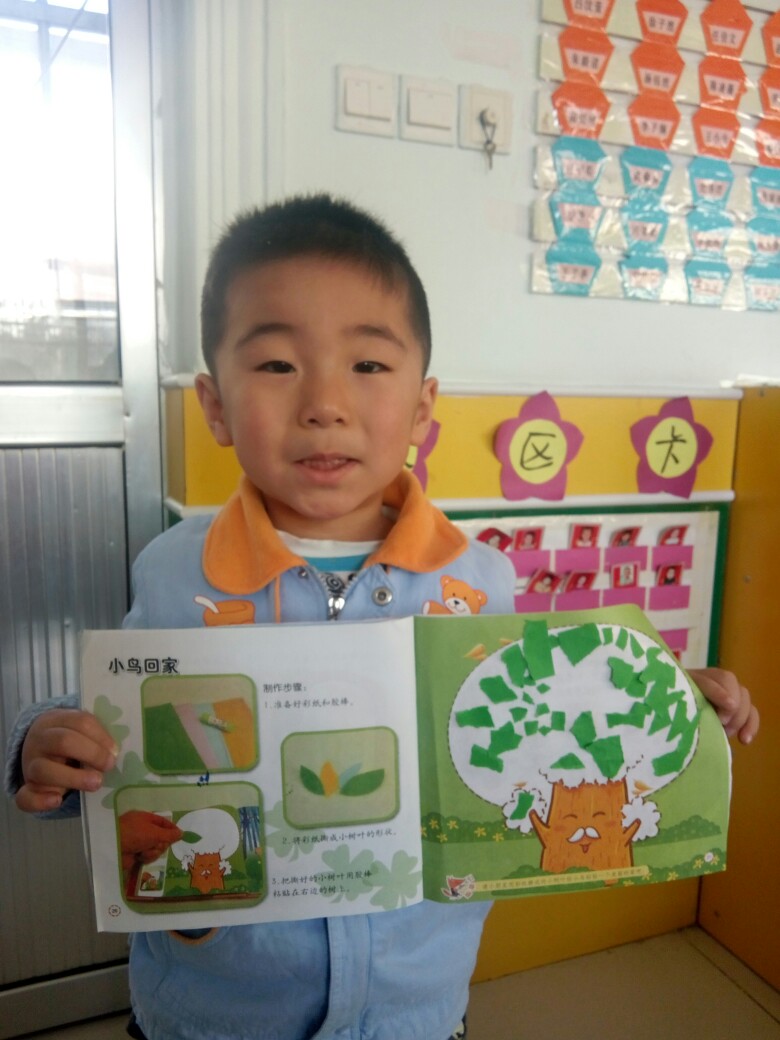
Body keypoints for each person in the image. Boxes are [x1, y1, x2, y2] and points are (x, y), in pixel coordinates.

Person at [5, 195, 759, 1040]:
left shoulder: (476, 583)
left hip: (414, 1012)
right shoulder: (177, 572)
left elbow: (550, 739)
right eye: (278, 364)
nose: (325, 402)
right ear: (214, 405)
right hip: (214, 1015)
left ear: (424, 407)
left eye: (367, 364)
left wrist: (662, 698)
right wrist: (47, 744)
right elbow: (122, 741)